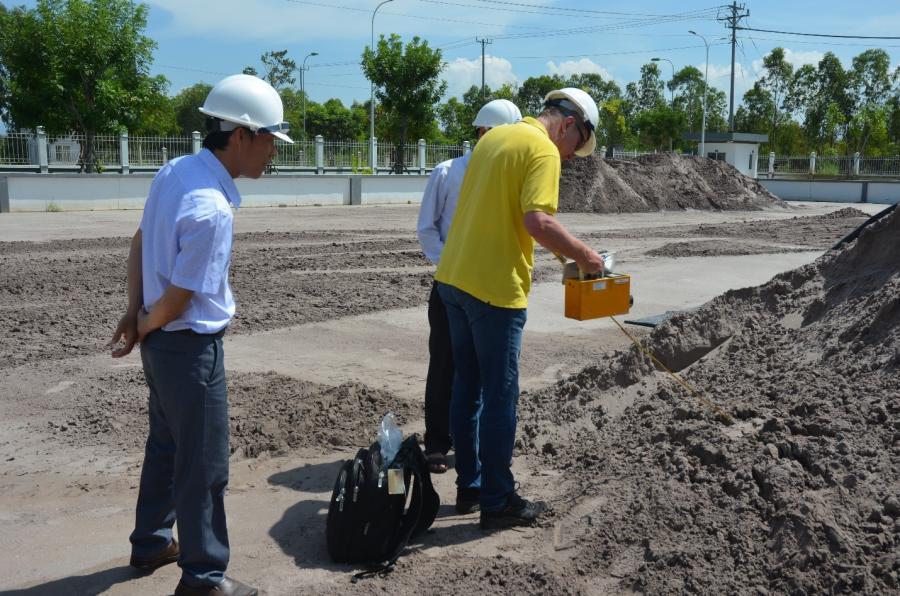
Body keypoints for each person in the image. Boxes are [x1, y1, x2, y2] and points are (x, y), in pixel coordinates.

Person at [108, 73, 292, 596]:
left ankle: (150, 542)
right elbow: (181, 296)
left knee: (166, 445)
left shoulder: (175, 171)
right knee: (204, 467)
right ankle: (205, 577)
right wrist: (145, 319)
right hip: (188, 347)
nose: (272, 152)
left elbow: (142, 240)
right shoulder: (213, 209)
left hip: (161, 344)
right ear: (241, 135)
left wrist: (134, 313)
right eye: (270, 140)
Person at [433, 88, 605, 530]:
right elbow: (537, 221)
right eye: (575, 146)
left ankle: (469, 487)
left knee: (466, 388)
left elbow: (492, 211)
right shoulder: (543, 151)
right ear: (567, 124)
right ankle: (497, 499)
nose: (569, 158)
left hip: (453, 280)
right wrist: (584, 256)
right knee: (500, 397)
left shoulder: (495, 139)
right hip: (494, 291)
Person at [416, 99, 522, 476]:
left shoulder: (508, 177)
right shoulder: (447, 173)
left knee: (480, 372)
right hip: (451, 284)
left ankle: (470, 444)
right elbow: (427, 229)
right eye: (489, 135)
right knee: (445, 363)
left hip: (490, 288)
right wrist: (452, 265)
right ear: (480, 133)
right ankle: (437, 443)